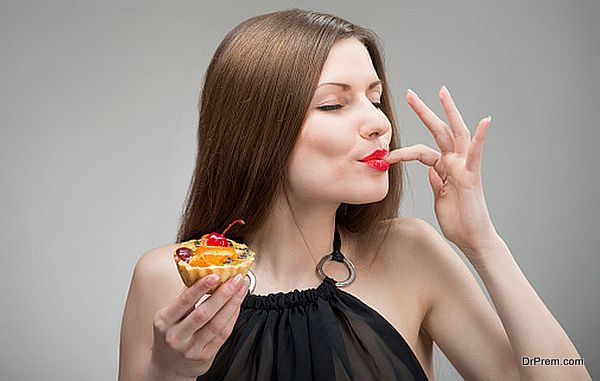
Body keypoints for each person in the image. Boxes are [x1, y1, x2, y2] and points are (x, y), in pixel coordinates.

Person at [119, 8, 591, 381]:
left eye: (375, 96)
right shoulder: (166, 278)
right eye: (333, 104)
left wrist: (483, 243)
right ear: (256, 132)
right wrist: (167, 372)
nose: (381, 122)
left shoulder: (410, 254)